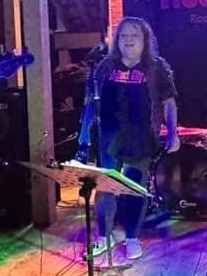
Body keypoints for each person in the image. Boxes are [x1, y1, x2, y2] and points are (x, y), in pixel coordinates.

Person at [77, 17, 180, 260]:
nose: (128, 40)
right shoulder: (105, 66)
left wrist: (172, 133)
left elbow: (169, 102)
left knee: (135, 188)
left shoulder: (156, 67)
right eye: (123, 36)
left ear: (145, 40)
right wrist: (84, 133)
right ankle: (104, 237)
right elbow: (90, 101)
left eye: (134, 35)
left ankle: (132, 238)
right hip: (109, 140)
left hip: (141, 140)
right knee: (105, 189)